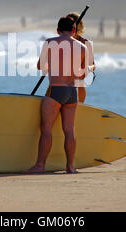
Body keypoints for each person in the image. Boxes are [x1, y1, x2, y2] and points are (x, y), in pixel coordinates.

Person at [27, 17, 92, 174]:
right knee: (69, 130)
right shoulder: (83, 47)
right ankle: (70, 167)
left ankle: (40, 165)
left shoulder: (50, 42)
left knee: (46, 128)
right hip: (72, 93)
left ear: (57, 30)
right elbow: (83, 75)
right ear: (74, 31)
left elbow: (40, 66)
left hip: (56, 89)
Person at [44, 12, 96, 103]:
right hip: (60, 76)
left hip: (77, 77)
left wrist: (87, 68)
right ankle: (49, 101)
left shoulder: (85, 43)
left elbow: (93, 65)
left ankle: (80, 105)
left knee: (80, 82)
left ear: (78, 28)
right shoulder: (60, 41)